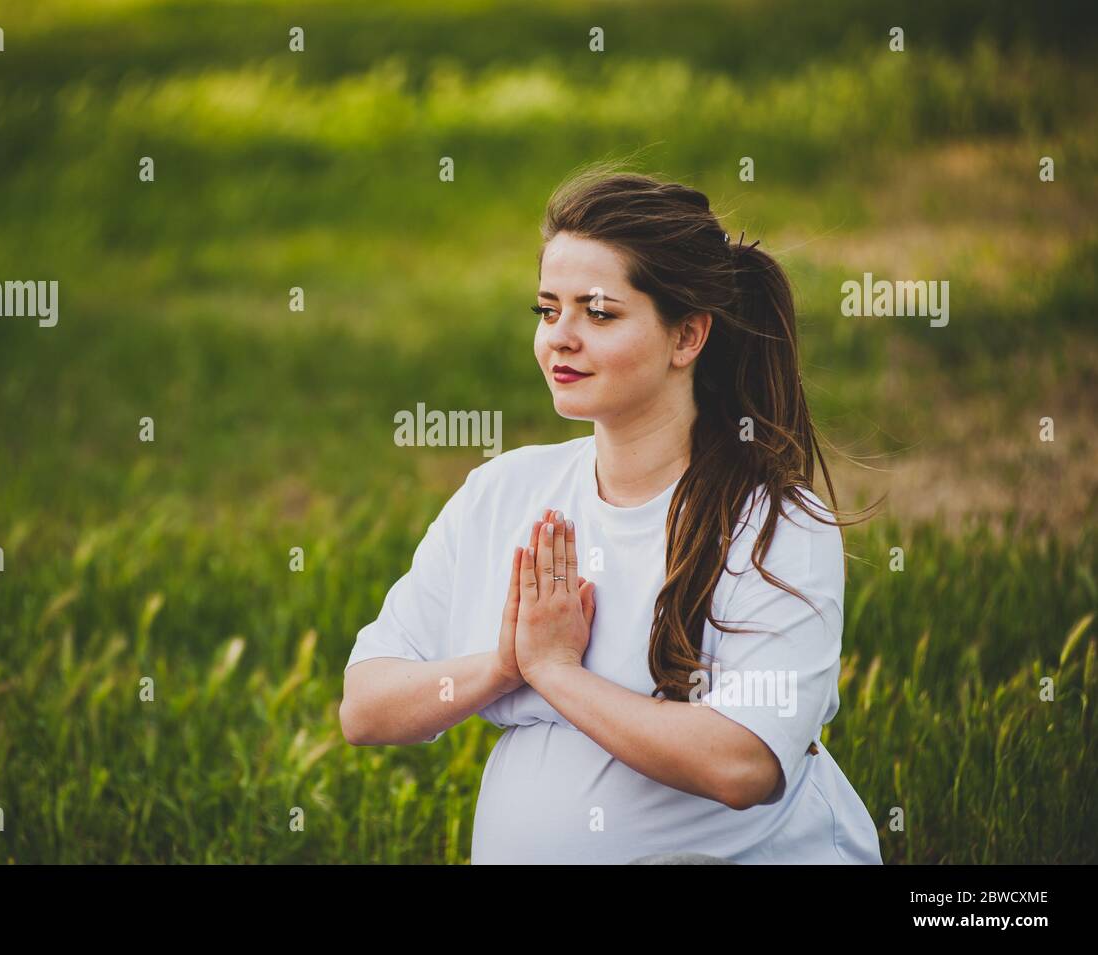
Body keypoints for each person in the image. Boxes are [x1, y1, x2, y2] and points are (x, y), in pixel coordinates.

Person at [339, 164, 884, 865]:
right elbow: (364, 705)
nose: (560, 336)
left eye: (597, 313)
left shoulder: (773, 521)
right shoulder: (503, 491)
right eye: (547, 309)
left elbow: (743, 763)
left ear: (687, 337)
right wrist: (504, 667)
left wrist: (558, 672)